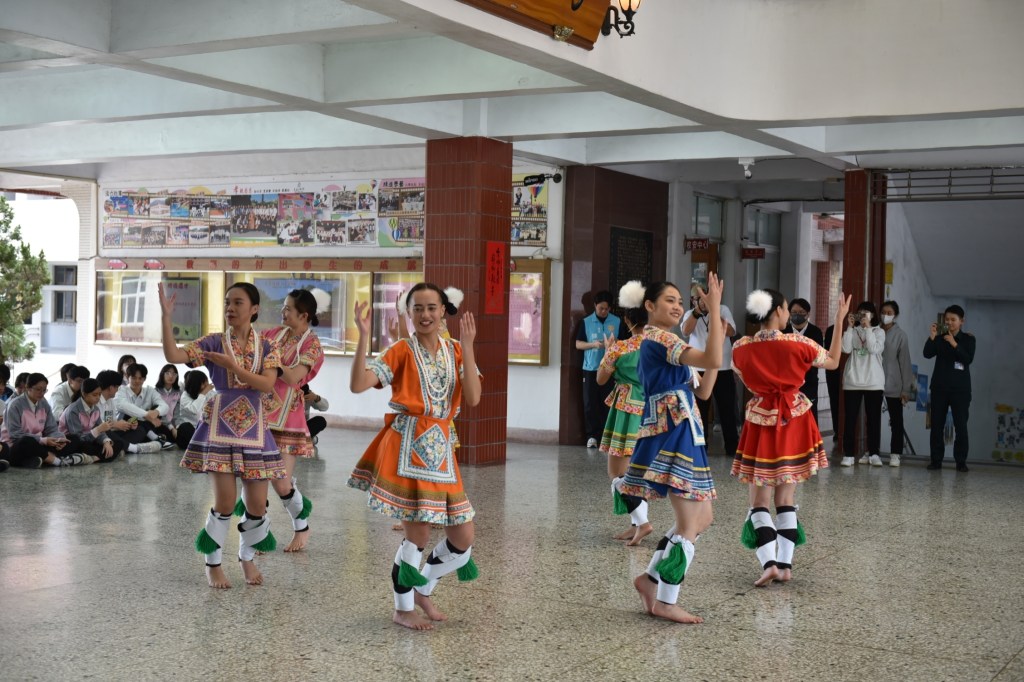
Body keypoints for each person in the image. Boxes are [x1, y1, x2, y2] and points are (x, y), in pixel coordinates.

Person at [348, 283, 481, 631]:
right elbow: (358, 384)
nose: (425, 314)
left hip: (441, 451)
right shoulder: (400, 350)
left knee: (463, 537)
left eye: (431, 307)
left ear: (443, 311)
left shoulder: (456, 349)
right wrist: (363, 337)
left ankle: (423, 588)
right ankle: (402, 608)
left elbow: (473, 398)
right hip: (407, 446)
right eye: (417, 308)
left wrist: (468, 347)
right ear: (408, 313)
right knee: (418, 536)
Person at [159, 281, 287, 589]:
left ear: (254, 309)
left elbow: (266, 384)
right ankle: (213, 563)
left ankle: (247, 556)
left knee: (257, 505)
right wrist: (166, 316)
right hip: (221, 425)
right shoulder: (214, 341)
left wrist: (234, 367)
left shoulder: (268, 346)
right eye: (228, 302)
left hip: (254, 426)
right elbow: (174, 354)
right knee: (226, 502)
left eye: (238, 302)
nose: (230, 307)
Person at [619, 275, 723, 625]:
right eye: (670, 300)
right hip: (673, 431)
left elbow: (704, 389)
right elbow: (711, 357)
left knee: (701, 518)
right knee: (689, 522)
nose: (677, 306)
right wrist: (714, 313)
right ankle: (666, 600)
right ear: (649, 306)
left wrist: (716, 333)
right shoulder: (660, 338)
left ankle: (650, 580)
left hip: (685, 428)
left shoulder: (670, 341)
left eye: (680, 301)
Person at [732, 290, 849, 585]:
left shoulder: (740, 347)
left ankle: (768, 563)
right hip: (794, 420)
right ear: (778, 311)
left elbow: (747, 382)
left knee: (759, 500)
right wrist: (839, 320)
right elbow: (833, 361)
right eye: (786, 309)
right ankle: (784, 566)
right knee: (786, 498)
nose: (788, 314)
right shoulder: (799, 343)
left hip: (760, 421)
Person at [245, 289, 324, 552]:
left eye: (288, 308)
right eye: (283, 306)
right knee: (254, 478)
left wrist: (271, 361)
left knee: (281, 482)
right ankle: (258, 536)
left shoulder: (313, 345)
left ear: (304, 315)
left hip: (288, 416)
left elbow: (292, 378)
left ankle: (302, 527)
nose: (283, 311)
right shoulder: (274, 334)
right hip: (259, 413)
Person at [597, 281, 650, 546]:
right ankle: (636, 524)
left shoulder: (620, 348)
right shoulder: (658, 346)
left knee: (617, 474)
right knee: (638, 474)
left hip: (625, 412)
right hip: (651, 411)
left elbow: (600, 379)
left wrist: (608, 351)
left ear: (627, 320)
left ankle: (642, 522)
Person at [680, 284, 739, 458]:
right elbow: (685, 331)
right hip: (697, 369)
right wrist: (698, 312)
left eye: (707, 298)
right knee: (699, 410)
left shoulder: (723, 309)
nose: (704, 301)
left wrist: (714, 310)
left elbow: (730, 331)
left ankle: (732, 447)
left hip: (723, 367)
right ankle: (700, 447)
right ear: (694, 300)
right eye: (700, 299)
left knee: (727, 408)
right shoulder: (690, 314)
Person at [923, 305, 976, 472]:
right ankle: (936, 460)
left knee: (961, 426)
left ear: (961, 321)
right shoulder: (940, 338)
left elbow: (968, 359)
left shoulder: (968, 339)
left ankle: (960, 461)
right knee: (936, 426)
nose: (950, 323)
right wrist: (932, 337)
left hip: (960, 390)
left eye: (953, 320)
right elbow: (927, 354)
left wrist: (954, 344)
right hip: (939, 388)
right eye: (947, 320)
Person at [0, 373, 91, 467]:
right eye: (38, 389)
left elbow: (51, 428)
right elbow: (15, 434)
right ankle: (58, 461)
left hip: (40, 443)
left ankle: (42, 459)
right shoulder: (15, 405)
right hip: (16, 446)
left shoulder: (43, 403)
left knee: (74, 439)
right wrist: (42, 440)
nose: (42, 393)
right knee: (26, 441)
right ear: (28, 388)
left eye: (44, 390)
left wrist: (58, 439)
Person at [839, 302, 886, 467]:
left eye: (866, 313)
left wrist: (868, 328)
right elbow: (845, 349)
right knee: (850, 419)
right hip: (853, 380)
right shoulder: (853, 331)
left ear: (872, 315)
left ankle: (874, 453)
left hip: (874, 381)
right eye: (860, 313)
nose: (863, 316)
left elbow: (873, 349)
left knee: (873, 419)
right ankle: (848, 455)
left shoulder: (879, 332)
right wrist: (849, 327)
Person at [576, 290, 623, 448]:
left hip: (610, 369)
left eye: (606, 309)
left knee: (608, 403)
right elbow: (578, 344)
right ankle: (592, 436)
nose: (603, 311)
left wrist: (615, 343)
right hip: (591, 368)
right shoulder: (586, 322)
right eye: (601, 308)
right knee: (590, 403)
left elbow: (625, 343)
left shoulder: (616, 321)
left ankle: (606, 436)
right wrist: (593, 345)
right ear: (595, 305)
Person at [880, 301, 914, 467]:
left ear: (895, 315)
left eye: (889, 313)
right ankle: (871, 451)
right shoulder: (875, 331)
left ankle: (895, 454)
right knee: (872, 419)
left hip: (894, 384)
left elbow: (905, 363)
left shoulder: (901, 335)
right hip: (874, 383)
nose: (885, 316)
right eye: (883, 312)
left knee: (896, 421)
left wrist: (905, 389)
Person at [115, 363, 176, 453]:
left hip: (143, 429)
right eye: (134, 378)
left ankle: (151, 439)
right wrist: (147, 415)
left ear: (144, 379)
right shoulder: (121, 390)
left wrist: (156, 412)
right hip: (126, 428)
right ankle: (155, 439)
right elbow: (124, 406)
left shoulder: (149, 390)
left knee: (156, 410)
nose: (137, 381)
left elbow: (165, 406)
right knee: (131, 414)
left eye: (140, 378)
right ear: (127, 377)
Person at [59, 378, 119, 463]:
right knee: (83, 445)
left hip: (89, 438)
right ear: (84, 394)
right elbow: (78, 437)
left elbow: (100, 430)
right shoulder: (73, 410)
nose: (98, 398)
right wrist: (98, 430)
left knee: (117, 443)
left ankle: (93, 458)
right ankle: (100, 457)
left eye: (99, 394)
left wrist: (106, 442)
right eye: (94, 395)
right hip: (71, 442)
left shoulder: (96, 409)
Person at [785, 298, 825, 422]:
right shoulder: (783, 331)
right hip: (787, 384)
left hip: (809, 382)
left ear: (808, 314)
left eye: (801, 312)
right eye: (794, 312)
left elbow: (817, 356)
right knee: (790, 418)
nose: (797, 315)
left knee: (810, 418)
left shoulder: (815, 332)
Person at [175, 370, 213, 450]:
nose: (207, 385)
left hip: (203, 430)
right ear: (196, 384)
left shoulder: (210, 393)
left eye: (207, 382)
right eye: (204, 383)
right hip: (190, 431)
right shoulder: (185, 395)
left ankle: (204, 445)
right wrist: (203, 393)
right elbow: (194, 409)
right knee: (185, 427)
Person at [154, 364, 183, 441]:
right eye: (167, 373)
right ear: (162, 375)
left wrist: (178, 426)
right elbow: (160, 413)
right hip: (160, 423)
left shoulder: (178, 392)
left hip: (173, 424)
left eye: (174, 374)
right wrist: (171, 428)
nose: (171, 376)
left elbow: (177, 412)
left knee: (183, 433)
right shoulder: (155, 391)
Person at [822, 324, 841, 442]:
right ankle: (837, 431)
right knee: (835, 403)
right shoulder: (830, 330)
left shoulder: (857, 328)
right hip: (833, 373)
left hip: (849, 374)